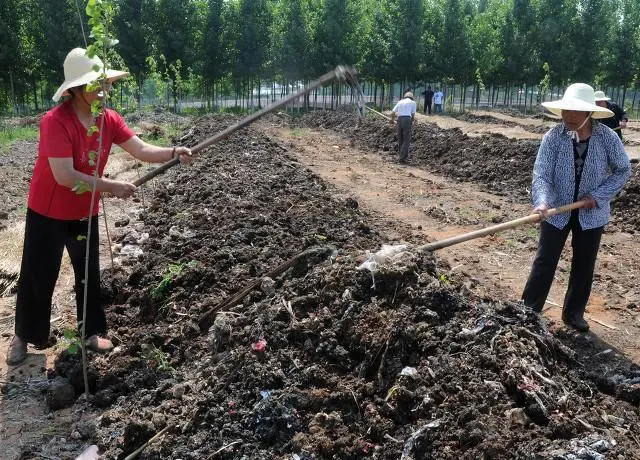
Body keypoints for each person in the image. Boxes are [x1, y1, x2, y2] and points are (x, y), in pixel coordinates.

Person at [6, 48, 193, 365]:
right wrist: (111, 187)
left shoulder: (108, 120)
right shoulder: (55, 122)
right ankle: (24, 335)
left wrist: (174, 151)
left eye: (106, 84)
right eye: (97, 85)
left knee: (87, 274)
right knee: (38, 275)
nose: (105, 91)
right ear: (76, 89)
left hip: (84, 211)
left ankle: (90, 332)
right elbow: (64, 176)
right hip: (47, 210)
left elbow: (141, 148)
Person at [521, 83, 630, 332]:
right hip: (556, 211)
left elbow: (623, 169)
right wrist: (542, 202)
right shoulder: (553, 137)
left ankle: (573, 314)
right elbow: (542, 174)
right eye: (565, 110)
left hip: (592, 213)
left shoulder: (607, 138)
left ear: (589, 113)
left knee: (584, 263)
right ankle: (528, 310)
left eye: (575, 111)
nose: (568, 116)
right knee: (545, 260)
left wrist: (599, 195)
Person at [390, 90, 416, 164]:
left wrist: (392, 120)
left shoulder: (400, 102)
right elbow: (413, 115)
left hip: (399, 119)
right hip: (407, 119)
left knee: (400, 138)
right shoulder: (413, 103)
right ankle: (403, 157)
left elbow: (392, 112)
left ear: (405, 97)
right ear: (411, 98)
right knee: (406, 139)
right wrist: (411, 122)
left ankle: (401, 156)